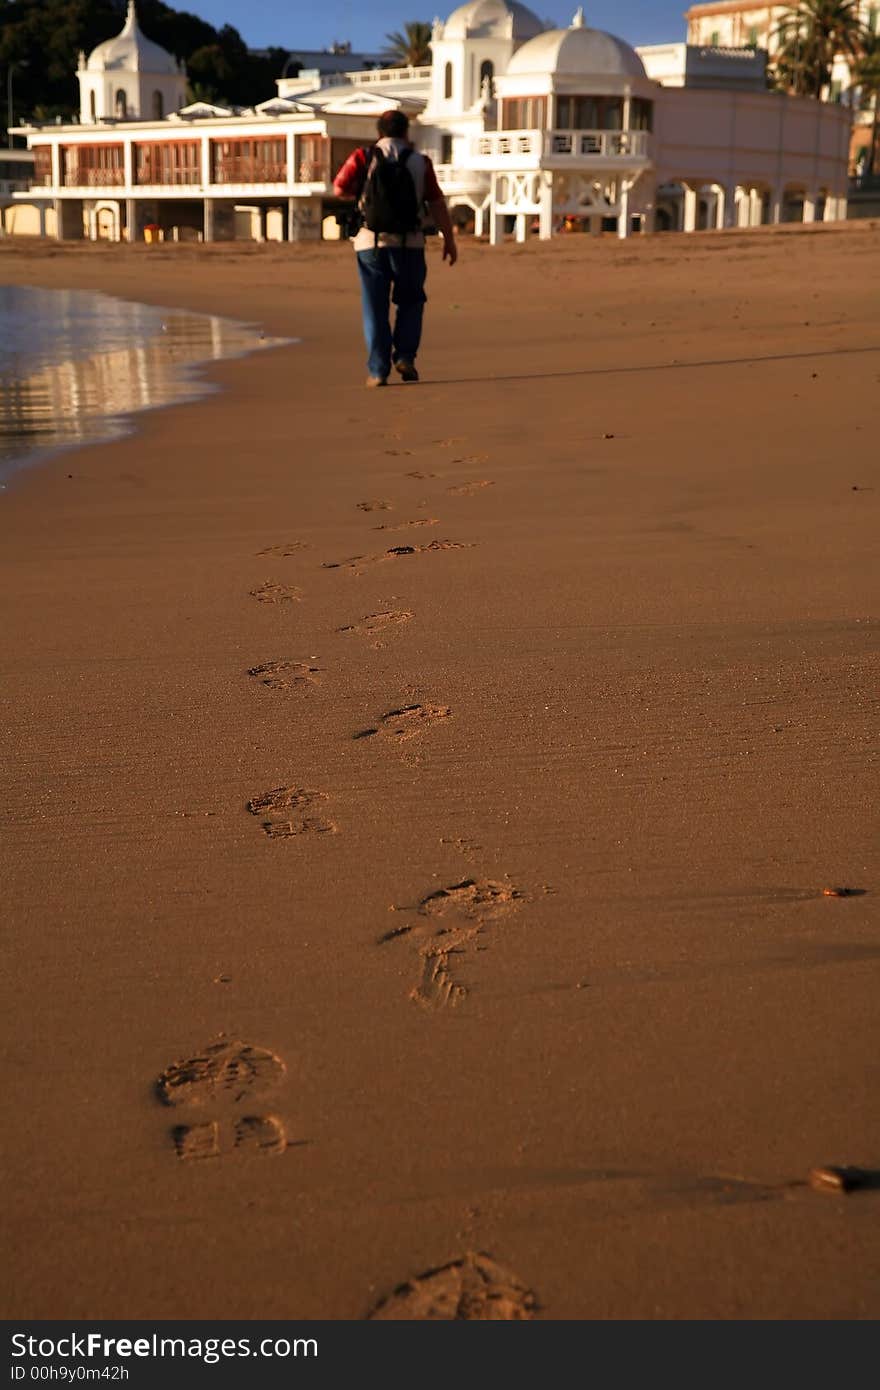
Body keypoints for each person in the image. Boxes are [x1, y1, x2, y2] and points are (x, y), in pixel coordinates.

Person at [333, 110, 458, 388]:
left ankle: (378, 371)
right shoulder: (419, 162)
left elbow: (339, 187)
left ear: (379, 133)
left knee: (375, 308)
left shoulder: (363, 157)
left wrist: (363, 192)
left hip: (370, 243)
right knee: (411, 302)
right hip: (410, 244)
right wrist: (449, 239)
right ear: (406, 133)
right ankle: (405, 357)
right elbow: (437, 203)